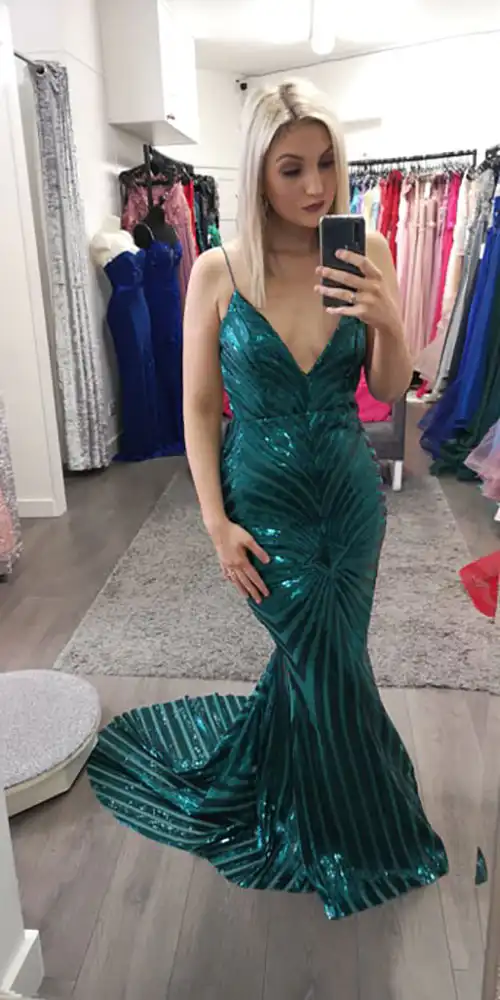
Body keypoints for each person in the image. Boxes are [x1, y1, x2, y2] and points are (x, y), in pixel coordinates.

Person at [87, 79, 449, 919]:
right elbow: (197, 407)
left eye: (326, 163)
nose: (316, 186)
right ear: (257, 172)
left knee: (331, 658)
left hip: (349, 503)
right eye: (292, 169)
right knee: (325, 661)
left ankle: (310, 795)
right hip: (265, 503)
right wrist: (215, 522)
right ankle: (371, 831)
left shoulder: (366, 250)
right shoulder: (219, 271)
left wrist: (389, 320)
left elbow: (387, 389)